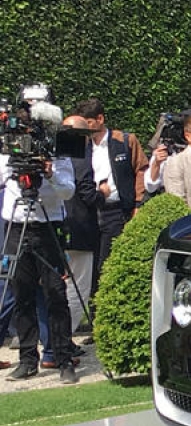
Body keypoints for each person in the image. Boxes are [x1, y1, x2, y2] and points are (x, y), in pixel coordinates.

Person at [1, 113, 79, 383]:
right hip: (16, 226)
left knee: (56, 294)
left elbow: (68, 191)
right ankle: (27, 360)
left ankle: (63, 358)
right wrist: (12, 167)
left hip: (48, 226)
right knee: (21, 294)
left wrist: (49, 173)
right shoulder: (8, 147)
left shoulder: (57, 152)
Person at [75, 98, 149, 273]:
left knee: (111, 261)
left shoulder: (125, 140)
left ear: (100, 119)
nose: (84, 128)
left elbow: (141, 170)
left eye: (88, 123)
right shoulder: (82, 145)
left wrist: (138, 204)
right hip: (90, 210)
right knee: (92, 263)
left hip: (117, 210)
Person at [61, 115, 102, 337]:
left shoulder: (55, 156)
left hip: (57, 226)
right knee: (79, 288)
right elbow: (87, 194)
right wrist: (102, 194)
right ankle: (65, 337)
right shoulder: (81, 158)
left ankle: (55, 337)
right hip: (80, 229)